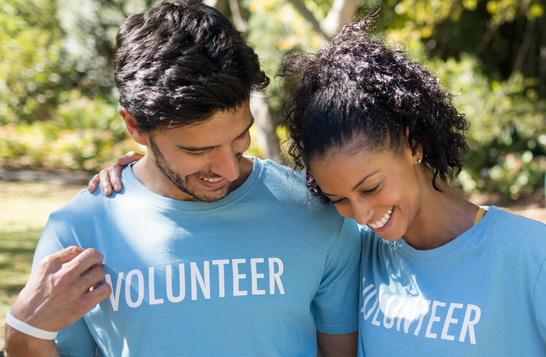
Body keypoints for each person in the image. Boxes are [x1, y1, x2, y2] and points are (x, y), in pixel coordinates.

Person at [4, 2, 361, 357]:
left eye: (239, 136)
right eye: (197, 150)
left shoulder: (318, 212)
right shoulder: (77, 232)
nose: (229, 170)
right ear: (135, 127)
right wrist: (22, 331)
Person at [278, 18, 546, 356]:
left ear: (414, 144)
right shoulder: (357, 254)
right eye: (338, 199)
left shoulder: (532, 255)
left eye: (370, 188)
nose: (360, 215)